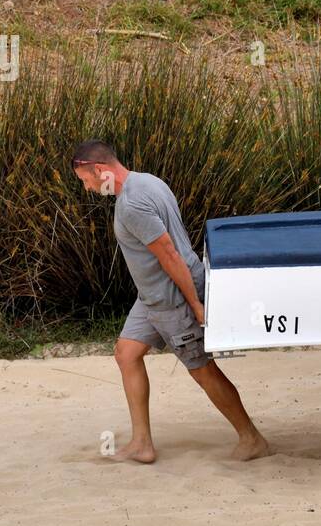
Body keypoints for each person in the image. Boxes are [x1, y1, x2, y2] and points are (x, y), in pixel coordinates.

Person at [71, 140, 271, 463]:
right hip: (150, 299)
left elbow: (169, 254)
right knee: (126, 353)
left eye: (85, 180)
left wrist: (195, 304)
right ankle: (141, 443)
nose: (88, 188)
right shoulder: (149, 181)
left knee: (202, 371)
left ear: (99, 170)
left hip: (173, 299)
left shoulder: (132, 205)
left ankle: (251, 438)